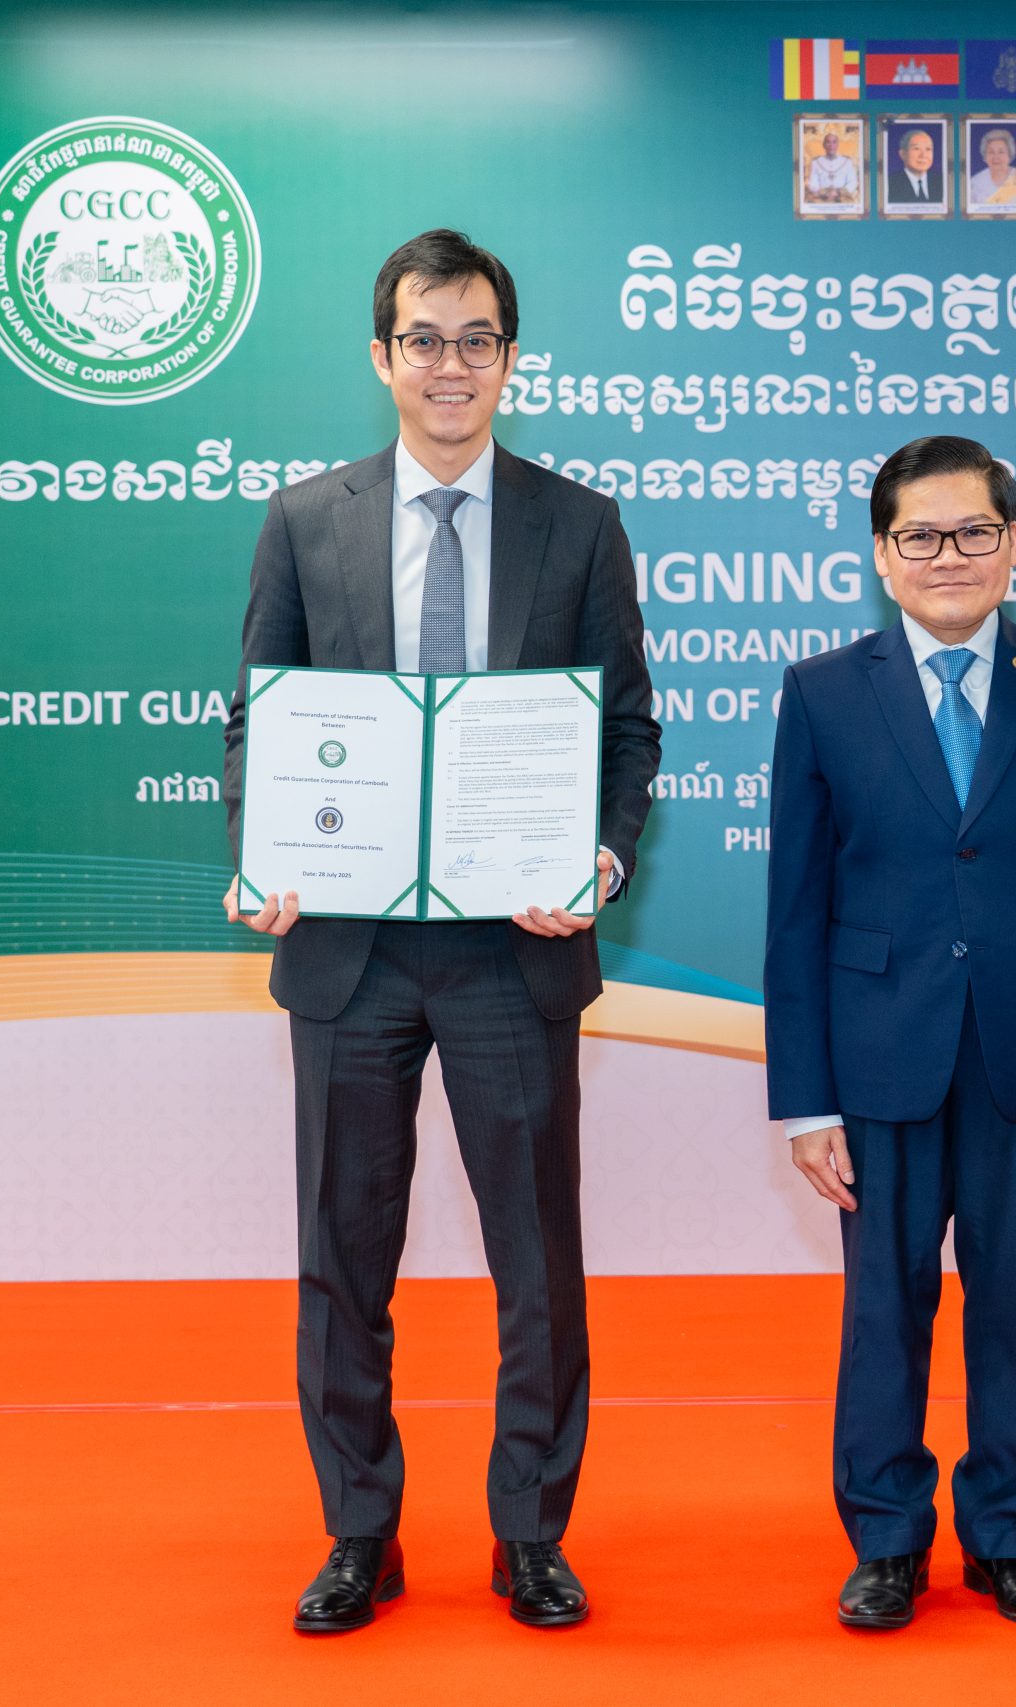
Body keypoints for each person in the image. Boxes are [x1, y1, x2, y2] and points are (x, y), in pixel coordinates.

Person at [219, 228, 661, 1635]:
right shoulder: (307, 520)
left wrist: (599, 859)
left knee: (537, 1259)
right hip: (347, 951)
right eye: (425, 339)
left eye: (477, 339)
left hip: (511, 948)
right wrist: (263, 856)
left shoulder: (578, 523)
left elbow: (627, 730)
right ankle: (360, 1529)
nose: (450, 365)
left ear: (510, 358)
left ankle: (531, 1530)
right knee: (343, 1253)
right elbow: (261, 720)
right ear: (382, 356)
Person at [765, 435, 1016, 1630]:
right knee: (883, 1311)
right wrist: (805, 1100)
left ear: (1012, 543)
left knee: (1015, 1311)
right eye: (920, 537)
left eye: (974, 532)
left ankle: (1006, 1534)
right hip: (878, 1057)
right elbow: (796, 907)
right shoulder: (823, 691)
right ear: (882, 556)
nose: (950, 556)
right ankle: (885, 1538)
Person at [967, 127, 1016, 209]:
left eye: (1001, 152)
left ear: (1009, 155)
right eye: (991, 152)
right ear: (985, 156)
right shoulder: (974, 184)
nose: (996, 157)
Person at [886, 127, 944, 207]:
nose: (923, 155)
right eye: (916, 148)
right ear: (902, 154)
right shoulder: (889, 184)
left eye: (928, 149)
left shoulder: (942, 182)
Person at [806, 126, 861, 204]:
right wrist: (824, 193)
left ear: (838, 144)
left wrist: (838, 192)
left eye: (834, 142)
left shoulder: (847, 161)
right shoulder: (816, 162)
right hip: (821, 199)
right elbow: (812, 183)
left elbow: (853, 182)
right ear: (824, 145)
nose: (831, 145)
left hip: (843, 199)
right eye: (828, 142)